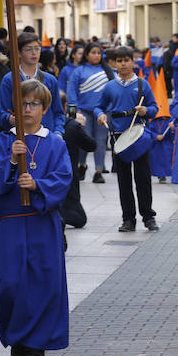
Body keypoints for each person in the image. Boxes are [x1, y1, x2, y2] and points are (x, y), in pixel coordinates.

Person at [0, 80, 73, 356]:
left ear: (45, 109)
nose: (27, 109)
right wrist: (11, 160)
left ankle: (36, 346)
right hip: (10, 223)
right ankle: (18, 337)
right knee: (12, 284)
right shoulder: (2, 141)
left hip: (41, 222)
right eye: (22, 104)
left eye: (34, 104)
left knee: (43, 283)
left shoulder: (55, 143)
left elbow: (63, 179)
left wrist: (37, 185)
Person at [96, 46, 160, 232]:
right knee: (123, 181)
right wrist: (101, 115)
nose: (123, 64)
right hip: (118, 138)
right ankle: (128, 219)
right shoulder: (109, 87)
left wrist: (146, 110)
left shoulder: (142, 84)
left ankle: (148, 217)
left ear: (133, 61)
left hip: (138, 137)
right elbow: (99, 107)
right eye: (119, 61)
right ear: (114, 63)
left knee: (143, 179)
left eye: (126, 60)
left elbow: (155, 107)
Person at [0, 32, 65, 138]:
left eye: (37, 48)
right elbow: (1, 111)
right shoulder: (9, 79)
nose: (34, 53)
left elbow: (58, 112)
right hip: (20, 138)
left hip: (47, 137)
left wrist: (58, 132)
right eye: (28, 49)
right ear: (19, 53)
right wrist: (9, 118)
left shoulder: (50, 80)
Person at [67, 42, 110, 182]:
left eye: (99, 52)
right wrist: (74, 114)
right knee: (83, 140)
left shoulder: (108, 71)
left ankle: (98, 171)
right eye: (93, 52)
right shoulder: (79, 71)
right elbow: (71, 93)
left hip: (102, 113)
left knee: (101, 141)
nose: (96, 55)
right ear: (87, 54)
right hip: (83, 112)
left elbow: (113, 93)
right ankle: (82, 165)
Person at [59, 91, 96, 229]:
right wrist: (80, 127)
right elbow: (92, 145)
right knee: (80, 219)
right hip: (69, 183)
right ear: (64, 106)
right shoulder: (71, 126)